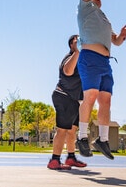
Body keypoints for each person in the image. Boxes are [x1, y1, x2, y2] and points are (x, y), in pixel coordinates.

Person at [76, 0, 126, 160]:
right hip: (89, 58)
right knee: (90, 96)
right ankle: (82, 137)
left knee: (106, 101)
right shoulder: (84, 9)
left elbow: (115, 41)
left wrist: (123, 36)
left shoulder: (104, 19)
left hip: (105, 62)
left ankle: (102, 140)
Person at [47, 34, 88, 170]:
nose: (81, 41)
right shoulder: (71, 57)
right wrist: (77, 51)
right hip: (63, 97)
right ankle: (54, 160)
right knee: (62, 130)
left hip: (74, 100)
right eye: (77, 40)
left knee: (72, 131)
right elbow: (67, 71)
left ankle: (71, 158)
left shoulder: (81, 59)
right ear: (72, 44)